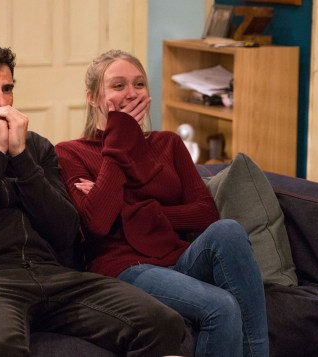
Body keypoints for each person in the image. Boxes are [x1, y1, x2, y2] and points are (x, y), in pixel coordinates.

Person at [0, 39, 186, 357]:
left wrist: (20, 156)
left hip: (51, 275)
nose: (1, 102)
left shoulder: (34, 147)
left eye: (7, 89)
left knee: (163, 323)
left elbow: (64, 231)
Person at [54, 49, 269, 357]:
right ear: (92, 97)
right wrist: (120, 135)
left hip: (179, 258)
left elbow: (205, 214)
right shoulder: (70, 153)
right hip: (123, 266)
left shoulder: (168, 143)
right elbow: (98, 224)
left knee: (229, 230)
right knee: (222, 306)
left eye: (139, 84)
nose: (131, 92)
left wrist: (128, 212)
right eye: (118, 85)